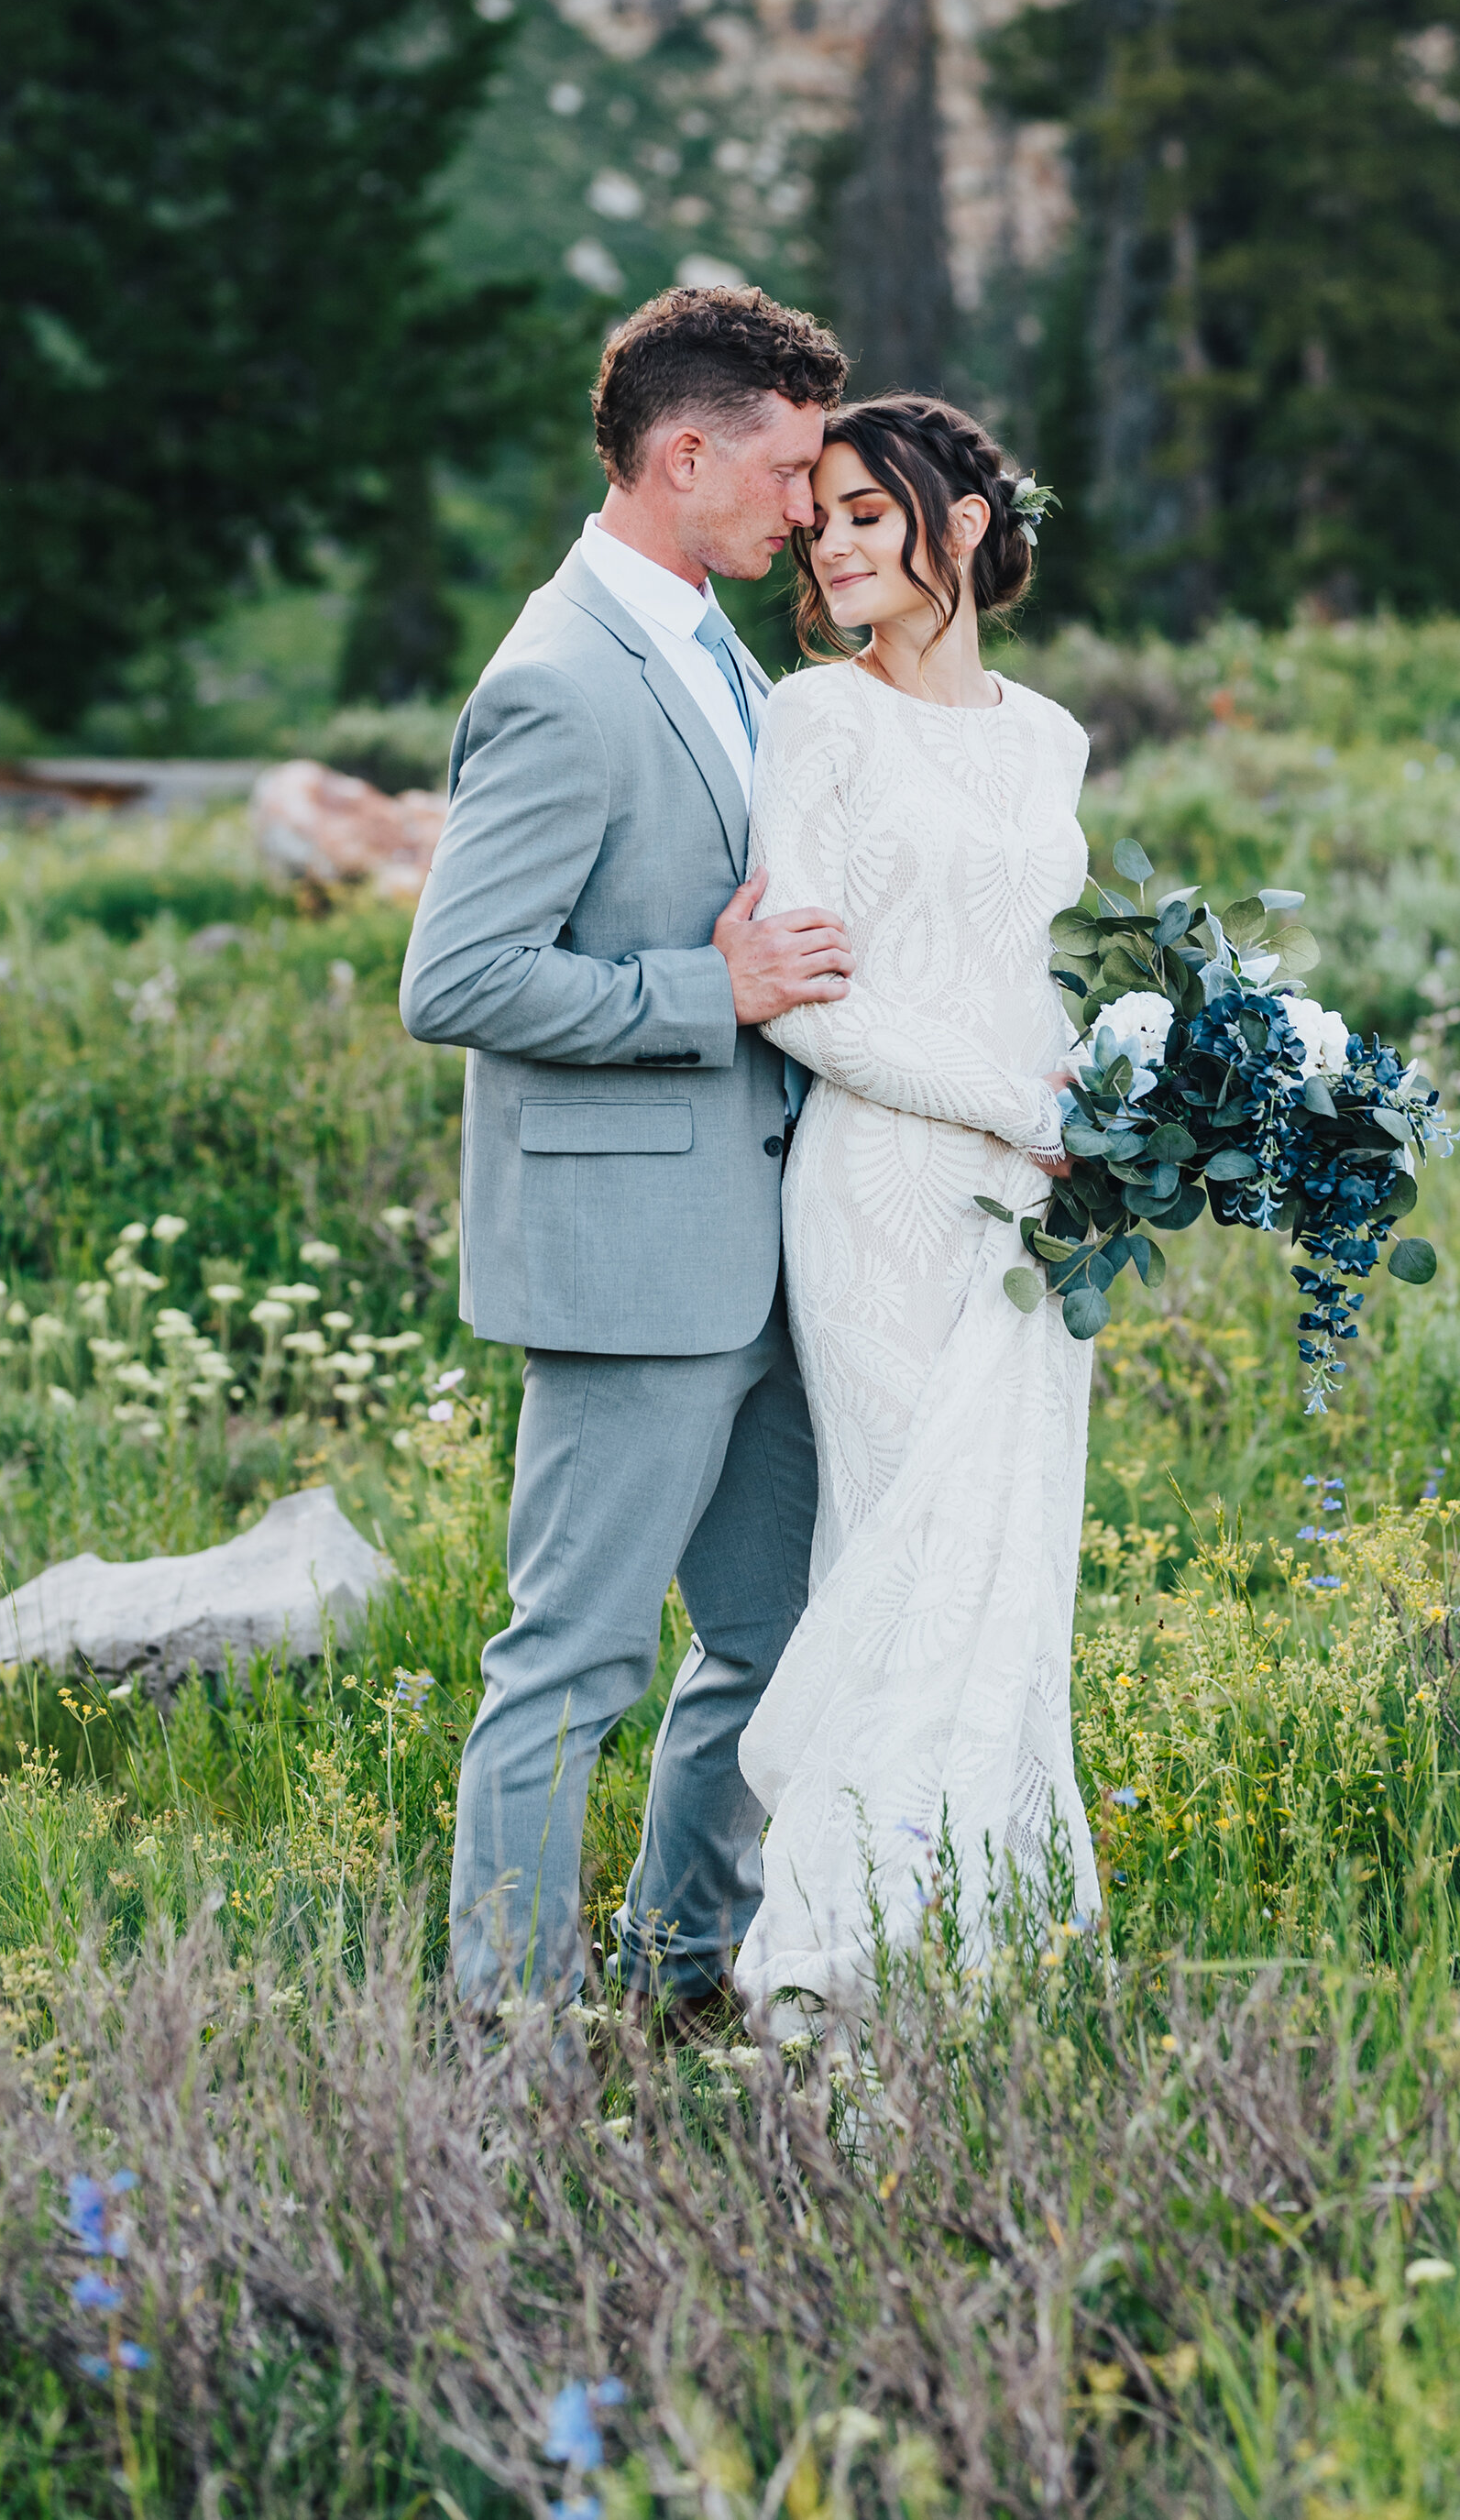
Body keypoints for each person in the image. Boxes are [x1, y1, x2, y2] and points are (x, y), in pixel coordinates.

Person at [401, 280, 851, 2019]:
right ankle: (504, 2048)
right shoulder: (559, 681)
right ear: (685, 454)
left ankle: (680, 1975)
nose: (805, 507)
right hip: (627, 1276)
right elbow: (458, 977)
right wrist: (709, 988)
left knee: (768, 1645)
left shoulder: (711, 646)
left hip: (764, 1253)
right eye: (790, 470)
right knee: (571, 1669)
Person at [731, 391, 1102, 2016]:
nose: (832, 544)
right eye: (818, 519)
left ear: (961, 522)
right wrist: (1016, 1108)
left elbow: (1033, 971)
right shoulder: (819, 721)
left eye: (867, 513)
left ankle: (985, 1941)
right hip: (884, 1188)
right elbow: (806, 1001)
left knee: (1012, 1556)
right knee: (903, 1546)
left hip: (1035, 1209)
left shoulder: (1050, 734)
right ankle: (835, 1954)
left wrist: (1119, 1090)